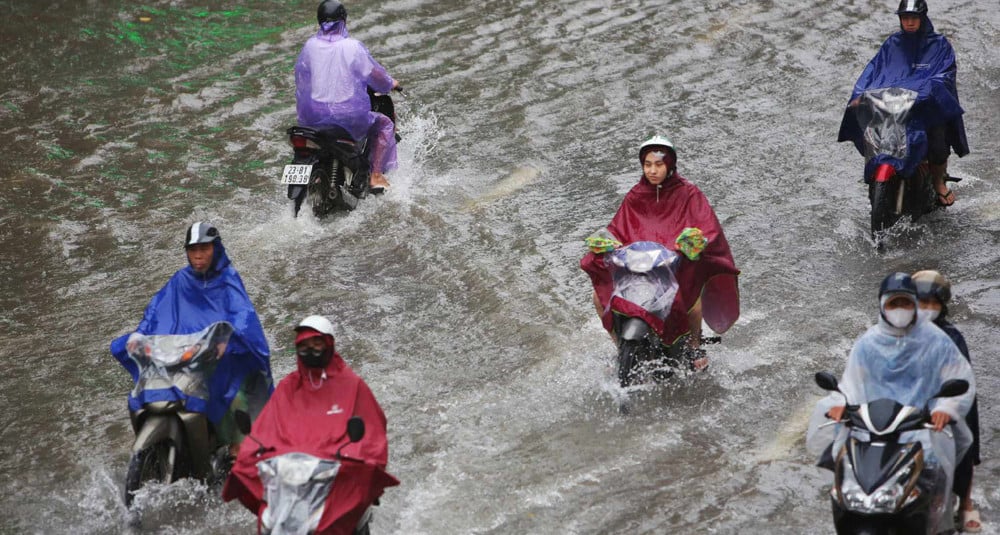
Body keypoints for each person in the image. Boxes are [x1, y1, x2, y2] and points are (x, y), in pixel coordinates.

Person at [809, 272, 975, 534]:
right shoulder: (867, 343)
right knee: (843, 465)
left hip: (921, 424)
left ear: (914, 305)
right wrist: (840, 402)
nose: (900, 310)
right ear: (882, 306)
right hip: (875, 423)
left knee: (947, 459)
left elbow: (960, 377)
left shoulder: (936, 340)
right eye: (894, 304)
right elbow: (851, 382)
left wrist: (946, 408)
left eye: (906, 304)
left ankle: (944, 516)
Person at [110, 222, 274, 457]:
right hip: (185, 354)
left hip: (220, 357)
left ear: (215, 249)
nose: (198, 256)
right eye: (193, 250)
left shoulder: (228, 280)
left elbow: (243, 315)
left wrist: (229, 336)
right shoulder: (179, 280)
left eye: (204, 249)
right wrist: (139, 335)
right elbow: (155, 312)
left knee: (236, 396)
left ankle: (237, 448)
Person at [223, 315, 398, 531]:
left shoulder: (352, 385)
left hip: (335, 477)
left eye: (317, 344)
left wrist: (356, 458)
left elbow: (371, 434)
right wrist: (251, 452)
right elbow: (266, 428)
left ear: (329, 344)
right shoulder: (289, 386)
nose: (311, 350)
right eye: (304, 345)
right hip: (291, 479)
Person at [580, 135, 740, 370]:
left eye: (658, 164)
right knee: (598, 296)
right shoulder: (635, 195)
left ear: (670, 165)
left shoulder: (690, 194)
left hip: (676, 266)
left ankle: (694, 347)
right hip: (639, 266)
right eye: (647, 164)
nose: (652, 170)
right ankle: (619, 347)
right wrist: (605, 243)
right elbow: (618, 228)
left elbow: (708, 228)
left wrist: (692, 243)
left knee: (692, 302)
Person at [838, 0, 969, 206]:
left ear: (922, 18)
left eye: (913, 18)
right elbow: (872, 72)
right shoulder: (892, 44)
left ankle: (937, 182)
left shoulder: (940, 45)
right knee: (874, 132)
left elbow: (943, 77)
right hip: (895, 104)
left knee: (937, 139)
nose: (909, 23)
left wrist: (923, 93)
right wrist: (860, 95)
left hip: (926, 107)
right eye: (905, 18)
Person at [295, 0, 401, 190]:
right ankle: (375, 176)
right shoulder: (353, 47)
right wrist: (390, 83)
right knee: (384, 124)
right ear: (343, 21)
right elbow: (376, 76)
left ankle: (318, 178)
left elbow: (302, 77)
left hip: (311, 118)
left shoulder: (309, 46)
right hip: (348, 118)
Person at [913, 269, 982, 533]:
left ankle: (965, 502)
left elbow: (960, 376)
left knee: (962, 444)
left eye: (933, 303)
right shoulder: (898, 332)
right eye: (922, 303)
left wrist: (946, 405)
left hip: (946, 403)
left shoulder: (951, 337)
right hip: (910, 404)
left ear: (942, 306)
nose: (928, 309)